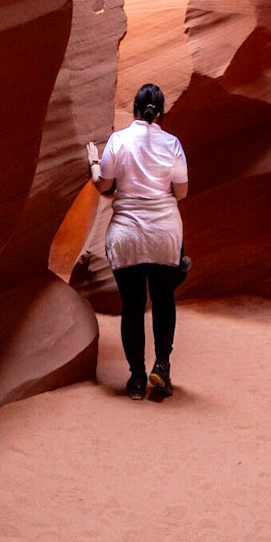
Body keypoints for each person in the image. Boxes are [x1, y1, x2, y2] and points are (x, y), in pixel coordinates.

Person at [86, 83, 188, 401]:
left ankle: (137, 379)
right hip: (164, 234)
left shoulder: (118, 140)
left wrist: (93, 163)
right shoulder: (172, 143)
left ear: (135, 111)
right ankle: (162, 365)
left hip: (127, 235)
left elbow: (104, 185)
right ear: (161, 114)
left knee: (132, 306)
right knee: (163, 299)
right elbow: (181, 191)